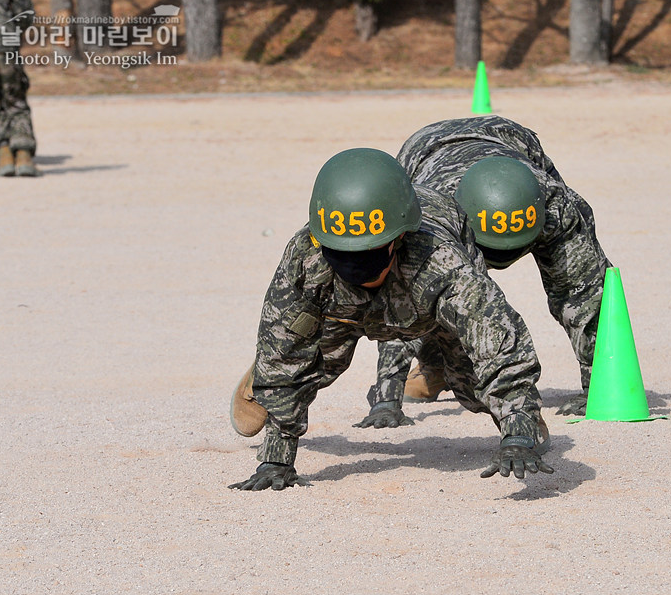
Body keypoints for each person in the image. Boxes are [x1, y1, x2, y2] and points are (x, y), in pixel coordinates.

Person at [228, 148, 554, 491]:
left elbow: (496, 338)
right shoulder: (306, 258)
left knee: (472, 384)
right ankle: (258, 382)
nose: (358, 267)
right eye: (343, 253)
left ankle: (517, 415)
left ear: (398, 240)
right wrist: (276, 460)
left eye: (370, 253)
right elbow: (282, 345)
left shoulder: (441, 261)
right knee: (314, 362)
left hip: (425, 309)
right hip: (341, 311)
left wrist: (519, 428)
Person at [354, 115, 612, 422]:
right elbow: (403, 295)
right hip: (424, 150)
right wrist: (387, 399)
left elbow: (584, 291)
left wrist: (601, 387)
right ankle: (433, 367)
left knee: (575, 280)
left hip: (511, 140)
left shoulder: (555, 202)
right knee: (437, 289)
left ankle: (437, 366)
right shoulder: (433, 214)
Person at [0, 0, 37, 177]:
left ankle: (3, 155)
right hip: (3, 40)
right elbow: (24, 11)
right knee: (15, 102)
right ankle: (23, 156)